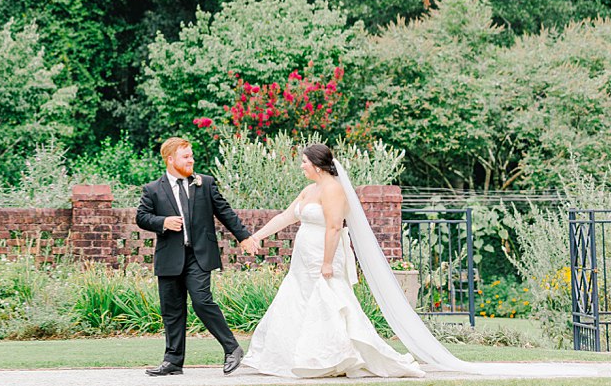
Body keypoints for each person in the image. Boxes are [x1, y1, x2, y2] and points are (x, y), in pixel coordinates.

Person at [241, 143, 425, 378]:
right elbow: (286, 216)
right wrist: (256, 236)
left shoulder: (333, 190)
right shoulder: (309, 190)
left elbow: (334, 226)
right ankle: (295, 358)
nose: (301, 166)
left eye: (304, 162)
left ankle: (336, 357)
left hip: (323, 255)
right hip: (302, 262)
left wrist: (327, 262)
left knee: (330, 303)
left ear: (317, 165)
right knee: (298, 302)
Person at [136, 137, 261, 376]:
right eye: (186, 156)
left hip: (199, 255)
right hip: (169, 258)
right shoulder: (153, 189)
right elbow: (141, 217)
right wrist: (163, 222)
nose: (191, 160)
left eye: (192, 155)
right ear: (170, 159)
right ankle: (173, 361)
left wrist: (243, 237)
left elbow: (225, 211)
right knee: (171, 310)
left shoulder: (205, 184)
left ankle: (232, 348)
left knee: (202, 301)